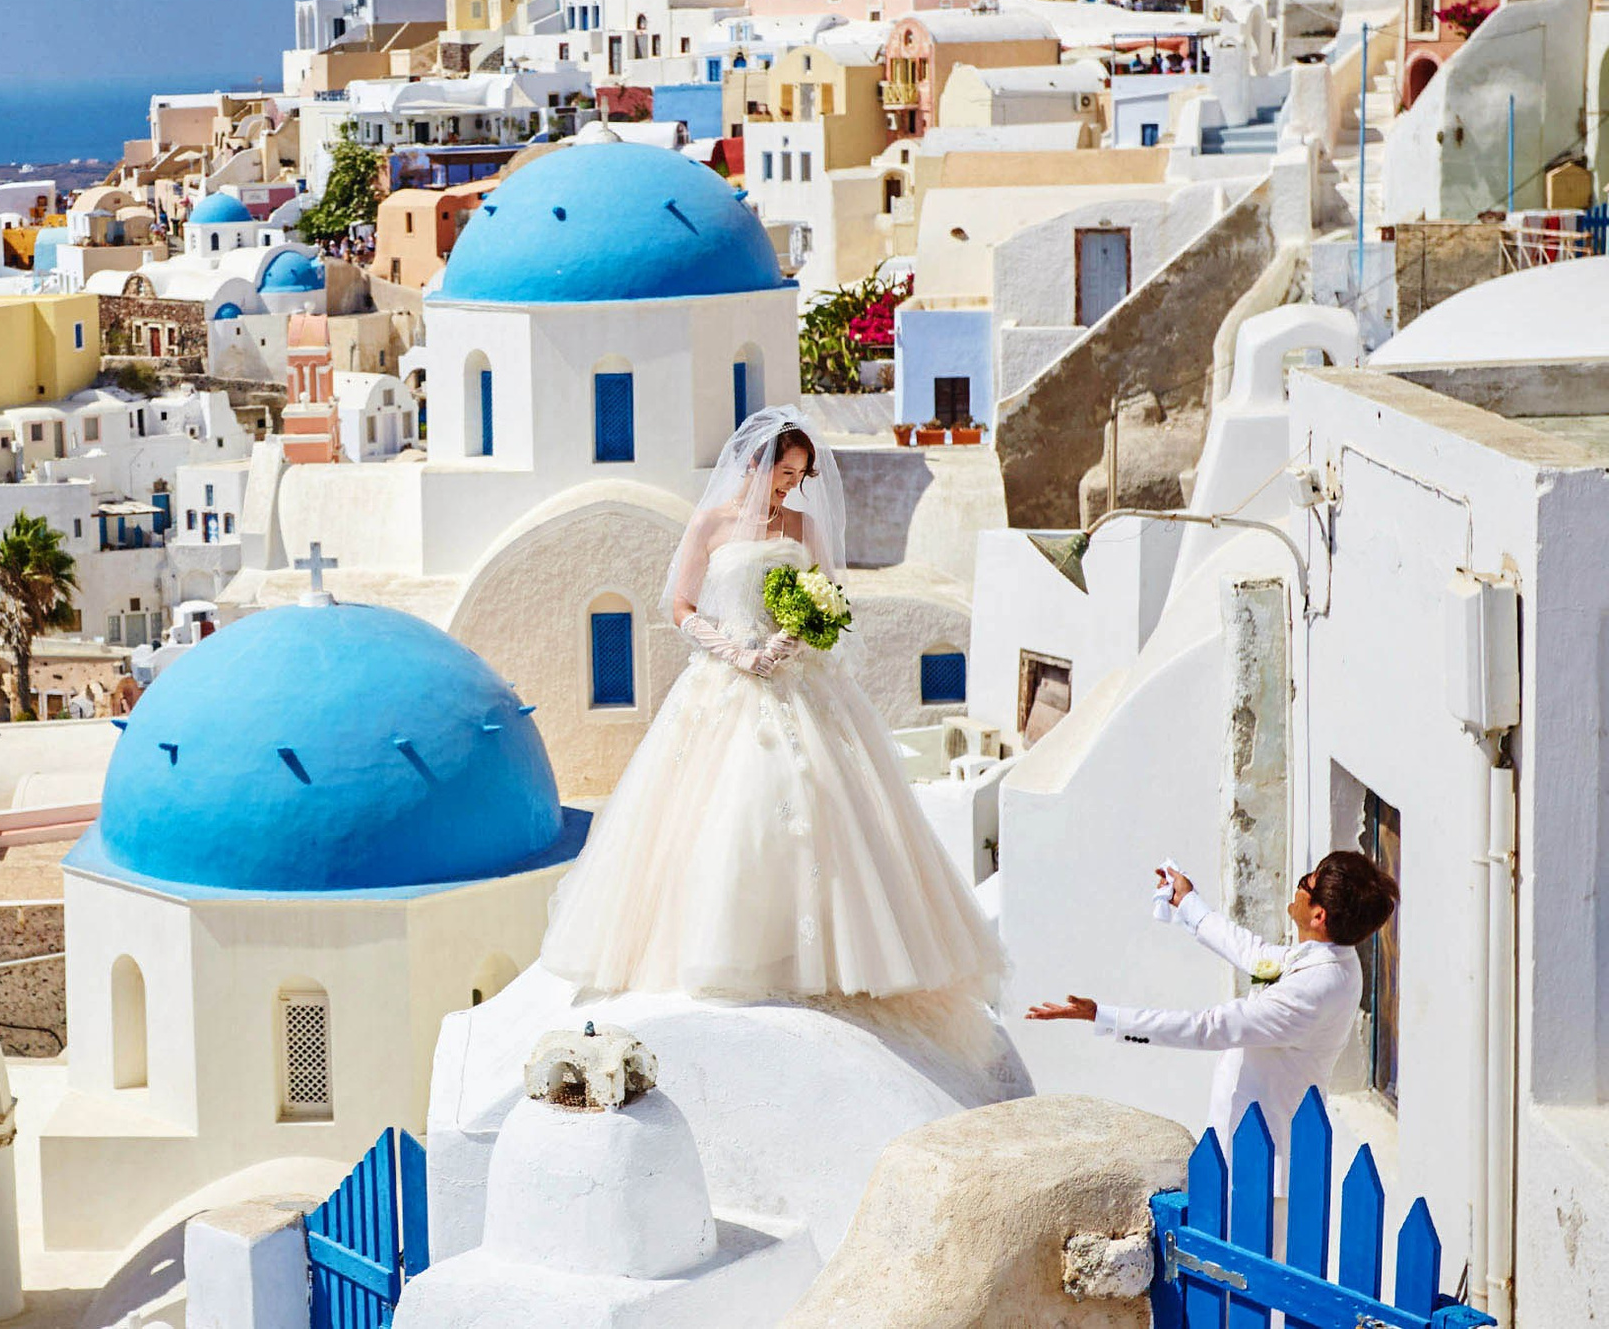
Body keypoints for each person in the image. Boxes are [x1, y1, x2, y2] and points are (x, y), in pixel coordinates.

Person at [537, 406, 1005, 1009]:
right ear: (755, 462)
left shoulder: (803, 529)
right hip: (726, 679)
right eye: (783, 471)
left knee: (822, 805)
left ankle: (822, 954)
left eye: (799, 476)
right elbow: (680, 606)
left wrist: (793, 638)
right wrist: (733, 651)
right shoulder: (709, 525)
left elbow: (830, 600)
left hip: (798, 678)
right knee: (723, 813)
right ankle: (728, 949)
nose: (788, 485)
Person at [1025, 852, 1399, 1145]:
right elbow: (1254, 954)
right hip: (1241, 1141)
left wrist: (1105, 1016)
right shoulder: (1324, 955)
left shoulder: (1317, 986)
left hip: (1265, 1162)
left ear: (1318, 914)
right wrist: (1187, 902)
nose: (1298, 888)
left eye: (1306, 883)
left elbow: (1210, 1028)